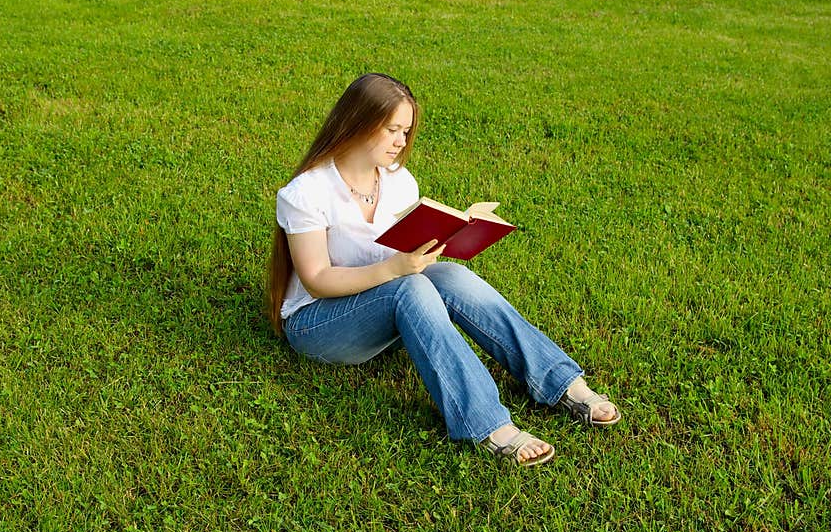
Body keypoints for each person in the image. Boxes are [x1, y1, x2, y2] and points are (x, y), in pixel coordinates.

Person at [266, 72, 621, 466]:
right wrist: (397, 269)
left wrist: (430, 249)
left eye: (406, 129)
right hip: (317, 324)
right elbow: (316, 279)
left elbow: (404, 252)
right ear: (358, 123)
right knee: (409, 287)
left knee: (453, 277)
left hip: (380, 302)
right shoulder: (306, 192)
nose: (402, 141)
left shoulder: (399, 181)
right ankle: (486, 424)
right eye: (392, 130)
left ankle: (562, 381)